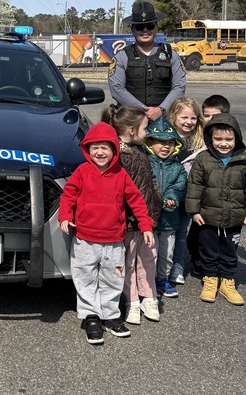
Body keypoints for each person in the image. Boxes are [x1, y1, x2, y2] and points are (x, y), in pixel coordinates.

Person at [59, 121, 154, 345]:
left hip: (114, 240)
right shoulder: (82, 171)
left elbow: (136, 201)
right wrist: (65, 216)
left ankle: (111, 315)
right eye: (95, 147)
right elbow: (68, 195)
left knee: (113, 279)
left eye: (105, 147)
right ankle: (91, 316)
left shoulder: (121, 174)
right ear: (87, 149)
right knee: (85, 278)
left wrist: (146, 225)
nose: (100, 152)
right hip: (85, 240)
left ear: (114, 150)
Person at [184, 113, 246, 307]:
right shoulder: (203, 159)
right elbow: (194, 187)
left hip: (234, 217)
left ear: (237, 138)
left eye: (229, 139)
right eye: (218, 139)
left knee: (229, 250)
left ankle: (227, 281)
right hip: (207, 217)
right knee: (208, 250)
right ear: (210, 138)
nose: (223, 143)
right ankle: (210, 279)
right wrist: (194, 211)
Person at [105, 105, 162, 326]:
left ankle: (149, 296)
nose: (147, 133)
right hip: (129, 222)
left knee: (149, 258)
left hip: (146, 219)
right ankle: (132, 299)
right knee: (127, 262)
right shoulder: (118, 156)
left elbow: (150, 180)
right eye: (145, 128)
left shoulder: (141, 152)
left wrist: (156, 201)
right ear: (131, 129)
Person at [108, 0, 186, 122]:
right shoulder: (121, 56)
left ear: (157, 28)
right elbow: (117, 89)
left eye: (150, 26)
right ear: (132, 30)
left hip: (164, 120)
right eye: (139, 27)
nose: (145, 30)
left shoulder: (171, 54)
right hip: (131, 121)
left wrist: (161, 110)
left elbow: (179, 86)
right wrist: (142, 110)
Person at [144, 117, 188, 301]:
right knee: (148, 253)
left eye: (170, 143)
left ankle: (163, 278)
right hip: (148, 219)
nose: (165, 146)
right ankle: (148, 280)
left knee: (166, 253)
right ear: (149, 143)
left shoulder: (178, 168)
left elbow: (179, 186)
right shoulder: (144, 163)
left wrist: (171, 198)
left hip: (170, 219)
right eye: (160, 142)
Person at [167, 96, 207, 285]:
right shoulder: (165, 138)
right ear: (174, 117)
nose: (189, 122)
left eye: (193, 118)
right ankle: (162, 265)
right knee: (165, 231)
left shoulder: (202, 142)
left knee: (181, 231)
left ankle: (178, 265)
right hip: (168, 193)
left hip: (188, 195)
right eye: (184, 117)